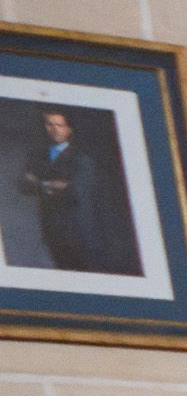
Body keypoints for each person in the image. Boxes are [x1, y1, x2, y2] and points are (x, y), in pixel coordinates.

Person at [21, 107, 136, 275]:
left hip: (78, 231)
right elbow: (25, 185)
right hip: (52, 227)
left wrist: (40, 183)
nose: (54, 130)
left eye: (59, 125)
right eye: (49, 124)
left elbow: (75, 191)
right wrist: (50, 184)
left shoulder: (81, 159)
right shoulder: (39, 157)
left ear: (69, 128)